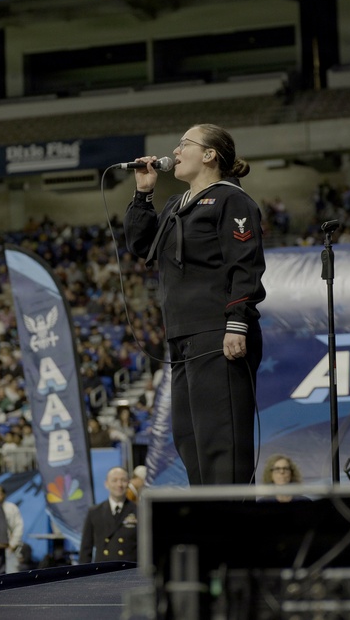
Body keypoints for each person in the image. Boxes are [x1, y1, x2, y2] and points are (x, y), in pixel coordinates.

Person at [124, 124, 266, 486]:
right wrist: (143, 195)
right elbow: (141, 245)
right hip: (183, 338)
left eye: (183, 143)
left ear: (209, 155)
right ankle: (208, 519)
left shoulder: (231, 199)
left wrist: (237, 322)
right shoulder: (176, 204)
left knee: (222, 445)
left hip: (218, 335)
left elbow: (245, 265)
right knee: (190, 442)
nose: (175, 150)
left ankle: (234, 520)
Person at [78, 467, 137, 564]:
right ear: (106, 484)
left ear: (128, 483)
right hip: (104, 570)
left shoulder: (139, 511)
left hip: (130, 570)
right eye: (114, 480)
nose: (119, 484)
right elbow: (86, 549)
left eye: (123, 480)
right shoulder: (94, 512)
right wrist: (83, 572)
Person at [0, 485, 24, 574]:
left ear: (4, 495)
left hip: (8, 547)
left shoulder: (11, 508)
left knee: (11, 574)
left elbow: (18, 526)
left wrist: (13, 544)